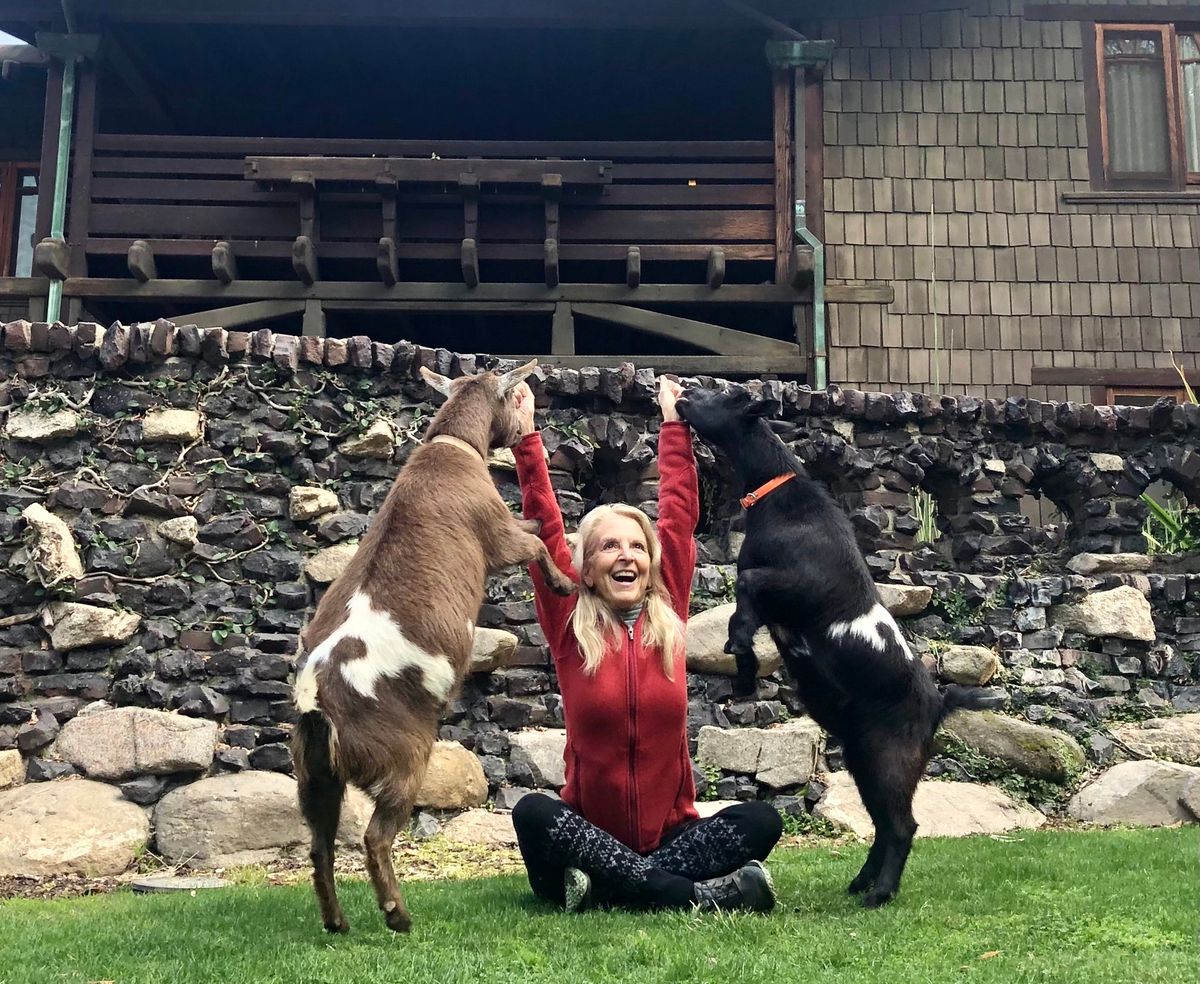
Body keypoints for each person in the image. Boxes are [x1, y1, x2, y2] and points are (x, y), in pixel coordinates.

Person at [508, 376, 782, 914]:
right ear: (585, 568)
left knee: (761, 820)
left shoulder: (670, 614)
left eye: (637, 545)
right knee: (533, 813)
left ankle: (612, 888)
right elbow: (543, 526)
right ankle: (692, 897)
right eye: (609, 546)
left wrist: (675, 427)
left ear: (653, 563)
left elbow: (678, 522)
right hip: (587, 835)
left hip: (670, 838)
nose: (627, 555)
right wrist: (526, 439)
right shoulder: (568, 621)